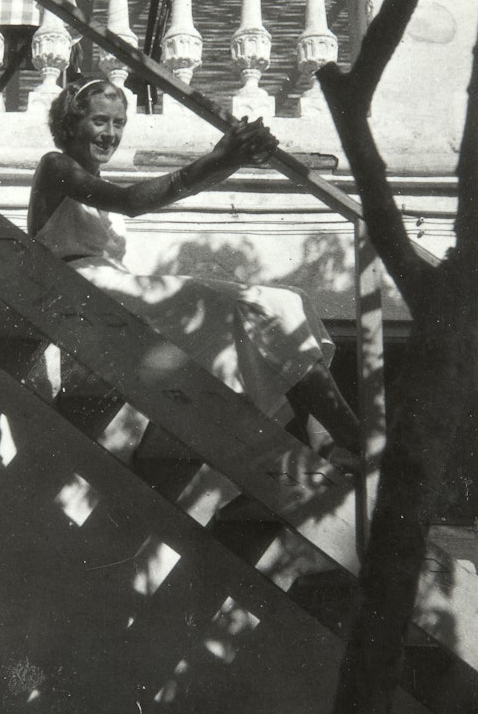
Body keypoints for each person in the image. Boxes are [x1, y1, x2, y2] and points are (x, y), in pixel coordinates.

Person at [28, 77, 360, 460]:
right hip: (84, 295)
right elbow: (132, 200)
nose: (110, 134)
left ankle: (321, 438)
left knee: (290, 302)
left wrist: (232, 159)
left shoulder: (90, 180)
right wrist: (220, 158)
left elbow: (165, 189)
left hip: (109, 292)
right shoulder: (56, 166)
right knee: (266, 309)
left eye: (119, 123)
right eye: (100, 121)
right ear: (70, 123)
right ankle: (348, 434)